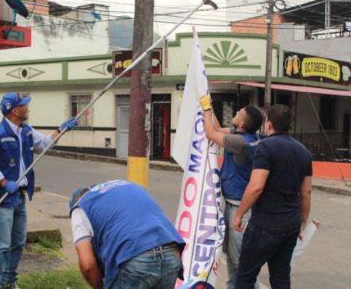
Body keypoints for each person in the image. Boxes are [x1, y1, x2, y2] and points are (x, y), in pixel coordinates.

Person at [0, 92, 77, 289]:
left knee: (18, 242)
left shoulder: (25, 131)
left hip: (19, 196)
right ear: (15, 111)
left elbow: (44, 143)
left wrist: (61, 129)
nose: (27, 108)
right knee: (1, 245)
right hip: (3, 197)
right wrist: (3, 182)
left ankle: (9, 280)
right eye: (24, 105)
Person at [233, 104, 312, 289]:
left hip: (265, 224)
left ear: (268, 124)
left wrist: (239, 214)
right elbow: (306, 192)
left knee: (245, 277)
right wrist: (303, 222)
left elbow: (256, 187)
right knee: (281, 278)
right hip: (291, 224)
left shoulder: (266, 147)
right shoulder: (304, 152)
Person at [69, 179, 186, 289]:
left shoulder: (80, 207)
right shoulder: (126, 186)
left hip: (135, 257)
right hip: (171, 253)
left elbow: (88, 265)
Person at [199, 95, 263, 289]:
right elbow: (217, 129)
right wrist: (208, 107)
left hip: (239, 208)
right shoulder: (246, 136)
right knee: (232, 256)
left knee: (239, 259)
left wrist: (206, 109)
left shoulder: (239, 142)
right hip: (233, 203)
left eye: (239, 113)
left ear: (242, 123)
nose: (235, 113)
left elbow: (210, 134)